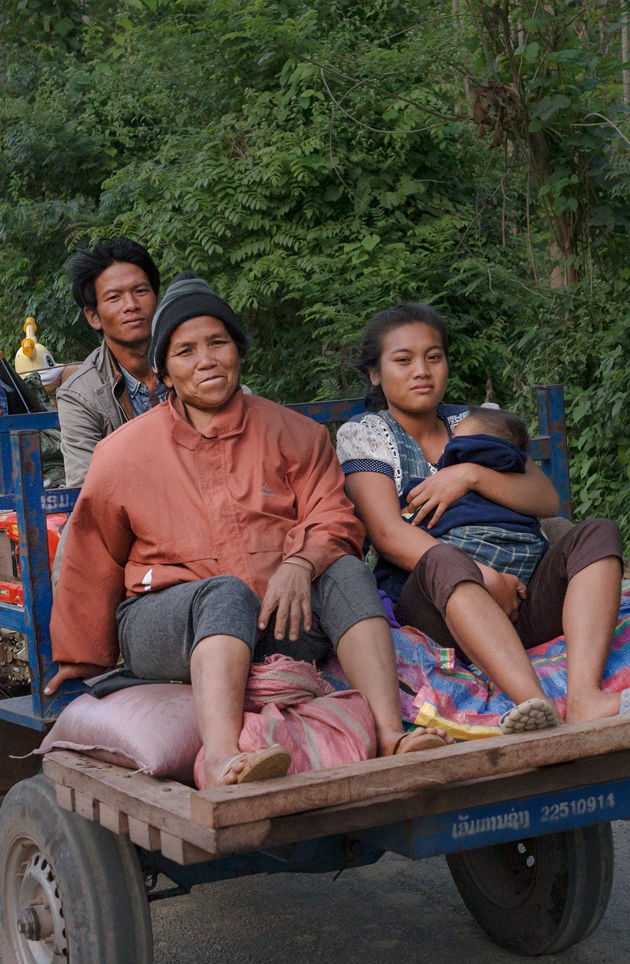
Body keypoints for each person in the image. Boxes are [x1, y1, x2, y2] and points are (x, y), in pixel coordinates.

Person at [44, 275, 449, 788]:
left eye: (218, 342)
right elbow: (91, 555)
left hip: (283, 618)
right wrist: (79, 660)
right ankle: (221, 758)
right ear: (165, 371)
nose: (206, 360)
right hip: (168, 624)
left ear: (238, 350)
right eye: (186, 350)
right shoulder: (123, 453)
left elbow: (336, 517)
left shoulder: (294, 433)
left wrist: (300, 563)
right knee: (225, 594)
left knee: (345, 569)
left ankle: (393, 735)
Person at [336, 302, 630, 729]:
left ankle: (586, 696)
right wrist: (482, 575)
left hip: (522, 594)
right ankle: (535, 705)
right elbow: (387, 534)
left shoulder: (474, 421)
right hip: (435, 609)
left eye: (433, 357)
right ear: (375, 373)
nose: (421, 370)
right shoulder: (366, 433)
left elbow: (544, 499)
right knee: (441, 558)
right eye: (403, 360)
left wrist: (470, 475)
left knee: (597, 532)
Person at [53, 238, 166, 488]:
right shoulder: (80, 395)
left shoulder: (191, 363)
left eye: (140, 291)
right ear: (94, 316)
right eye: (114, 297)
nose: (131, 305)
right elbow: (88, 488)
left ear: (157, 299)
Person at [415, 406, 549, 586]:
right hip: (522, 565)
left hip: (460, 570)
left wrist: (470, 475)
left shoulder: (480, 419)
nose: (446, 448)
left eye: (453, 441)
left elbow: (550, 501)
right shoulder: (510, 472)